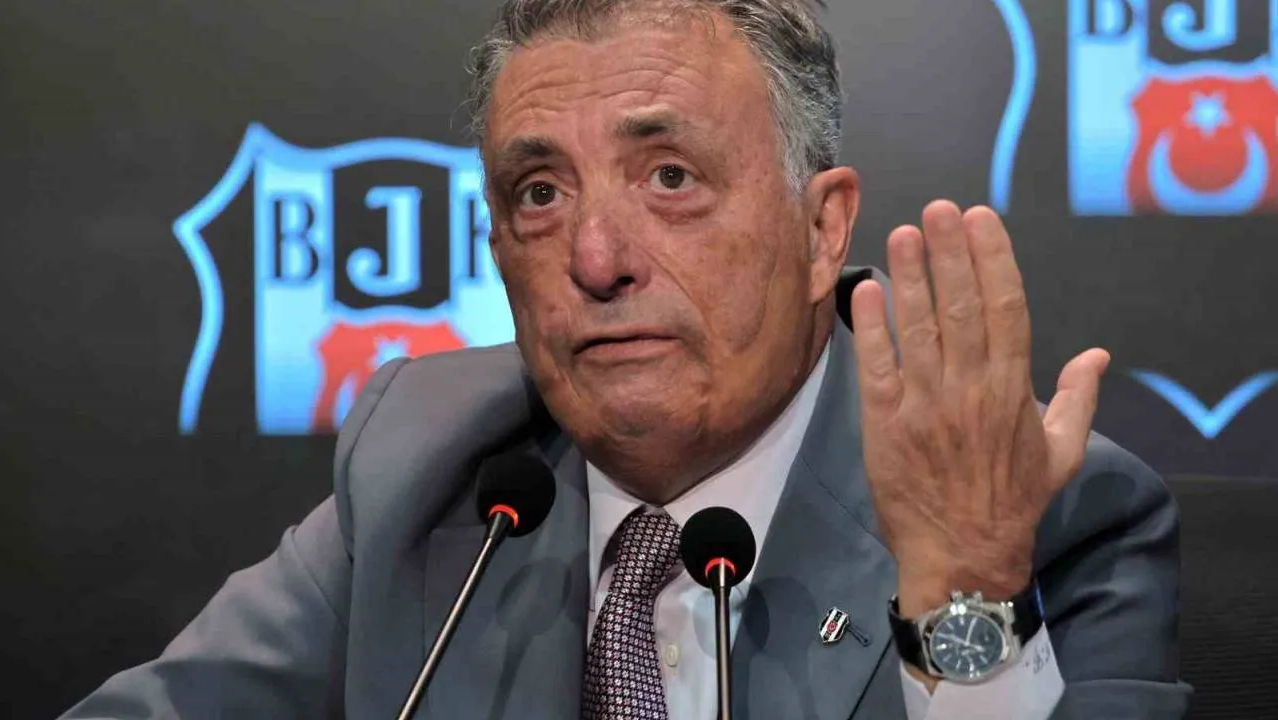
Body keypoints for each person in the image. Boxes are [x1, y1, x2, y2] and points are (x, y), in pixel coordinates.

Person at [62, 0, 1191, 718]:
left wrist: (962, 598)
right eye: (539, 194)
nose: (595, 259)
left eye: (670, 178)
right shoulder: (428, 461)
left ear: (820, 231)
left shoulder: (1045, 514)